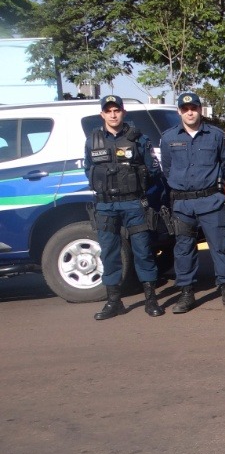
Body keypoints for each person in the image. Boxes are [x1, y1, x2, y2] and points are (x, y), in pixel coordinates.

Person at [160, 91, 225, 312]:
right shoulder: (168, 138)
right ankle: (186, 292)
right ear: (179, 111)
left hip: (210, 201)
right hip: (183, 205)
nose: (190, 112)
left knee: (220, 247)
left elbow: (224, 166)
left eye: (193, 108)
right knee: (184, 249)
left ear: (200, 110)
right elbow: (167, 169)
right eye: (185, 109)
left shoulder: (215, 135)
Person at [84, 94, 165, 320]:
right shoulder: (93, 140)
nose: (113, 114)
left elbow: (153, 170)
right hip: (105, 206)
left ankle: (151, 299)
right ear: (102, 114)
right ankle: (114, 302)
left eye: (116, 110)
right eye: (108, 111)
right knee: (109, 253)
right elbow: (88, 169)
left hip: (133, 204)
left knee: (143, 251)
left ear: (123, 112)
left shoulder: (138, 138)